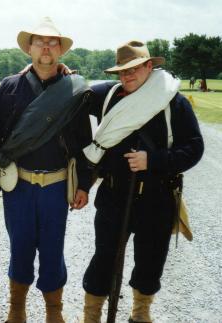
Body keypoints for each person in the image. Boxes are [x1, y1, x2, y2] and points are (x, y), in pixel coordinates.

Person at [81, 41, 204, 323]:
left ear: (150, 66)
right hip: (114, 195)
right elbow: (71, 89)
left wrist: (155, 160)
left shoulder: (174, 102)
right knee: (104, 259)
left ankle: (140, 313)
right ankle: (91, 316)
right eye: (122, 72)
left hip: (157, 198)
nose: (127, 77)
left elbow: (194, 148)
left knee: (150, 262)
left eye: (134, 69)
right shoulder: (108, 96)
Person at [0, 17, 93, 323]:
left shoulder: (75, 89)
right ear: (29, 48)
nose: (46, 46)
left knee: (53, 250)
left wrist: (84, 183)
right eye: (39, 41)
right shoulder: (10, 87)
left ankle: (53, 311)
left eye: (52, 41)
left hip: (57, 187)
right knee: (20, 248)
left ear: (60, 50)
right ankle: (17, 308)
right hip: (19, 186)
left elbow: (85, 143)